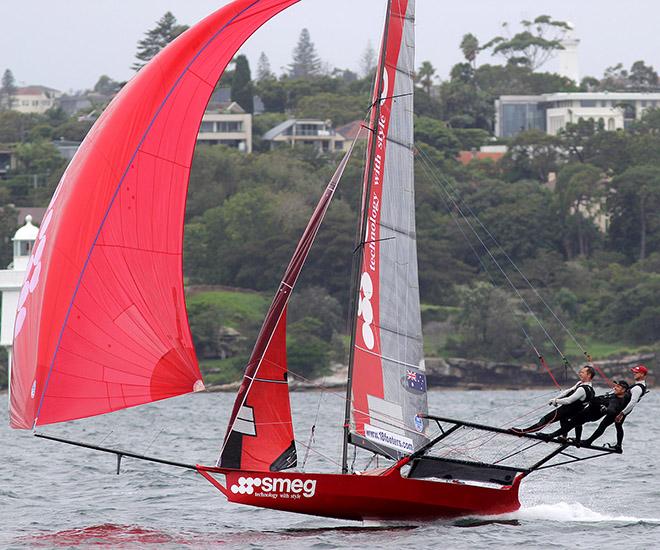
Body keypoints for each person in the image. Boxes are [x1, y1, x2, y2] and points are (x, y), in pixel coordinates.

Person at [511, 365, 595, 434]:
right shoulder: (584, 386)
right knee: (563, 421)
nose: (579, 373)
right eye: (580, 372)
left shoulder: (582, 389)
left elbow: (568, 400)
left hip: (566, 410)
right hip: (571, 412)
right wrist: (556, 398)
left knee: (544, 420)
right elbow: (567, 391)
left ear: (589, 375)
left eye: (582, 372)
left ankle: (523, 432)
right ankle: (564, 437)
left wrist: (555, 401)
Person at [545, 380, 630, 444]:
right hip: (588, 410)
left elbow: (612, 409)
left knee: (572, 423)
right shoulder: (615, 394)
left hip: (591, 414)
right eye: (616, 386)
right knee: (572, 420)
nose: (615, 387)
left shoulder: (616, 401)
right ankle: (577, 440)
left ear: (623, 390)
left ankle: (550, 436)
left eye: (618, 387)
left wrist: (605, 409)